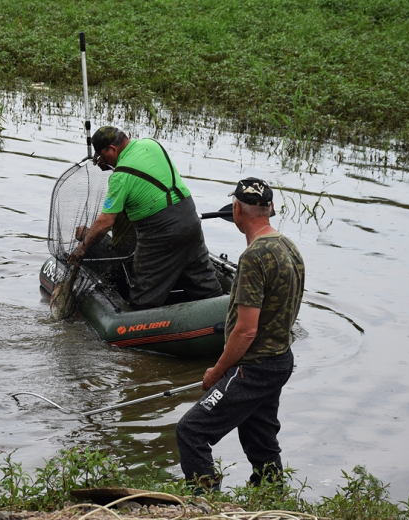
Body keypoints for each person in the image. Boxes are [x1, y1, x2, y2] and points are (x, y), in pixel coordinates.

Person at [175, 177, 305, 491]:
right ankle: (272, 496)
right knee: (259, 437)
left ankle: (205, 505)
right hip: (279, 359)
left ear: (236, 209)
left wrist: (218, 372)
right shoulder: (289, 246)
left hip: (255, 366)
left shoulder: (253, 257)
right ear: (271, 208)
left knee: (191, 432)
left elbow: (246, 331)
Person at [68, 126, 222, 310]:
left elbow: (105, 222)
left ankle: (141, 326)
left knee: (143, 297)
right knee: (206, 286)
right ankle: (222, 315)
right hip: (190, 221)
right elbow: (143, 175)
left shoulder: (120, 177)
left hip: (160, 234)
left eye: (102, 156)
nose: (102, 161)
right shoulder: (151, 144)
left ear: (112, 149)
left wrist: (83, 247)